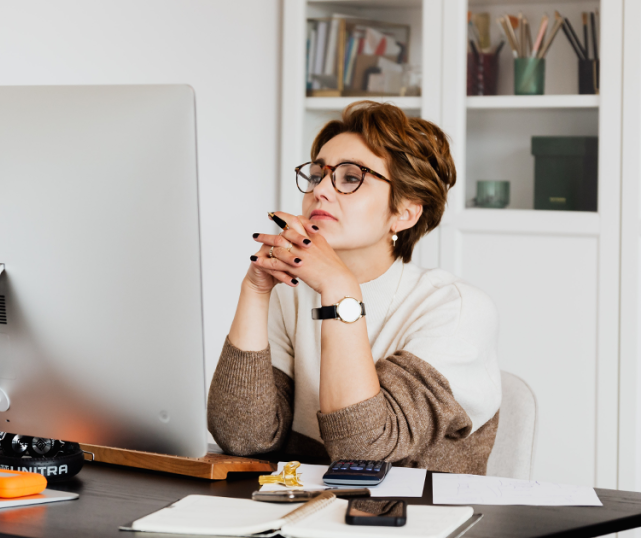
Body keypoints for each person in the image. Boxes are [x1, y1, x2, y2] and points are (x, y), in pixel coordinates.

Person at [207, 101, 501, 474]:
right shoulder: (291, 293)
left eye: (350, 178)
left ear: (405, 212)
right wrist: (255, 288)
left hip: (415, 522)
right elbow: (242, 437)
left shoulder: (457, 309)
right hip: (303, 517)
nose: (321, 191)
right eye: (318, 175)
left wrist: (339, 288)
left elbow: (363, 451)